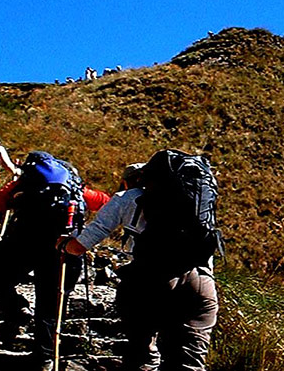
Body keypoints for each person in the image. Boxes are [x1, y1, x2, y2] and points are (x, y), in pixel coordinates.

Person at [59, 153, 220, 371]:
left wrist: (64, 245)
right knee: (190, 363)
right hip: (201, 282)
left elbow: (80, 246)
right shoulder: (194, 201)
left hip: (151, 280)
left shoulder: (127, 198)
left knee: (142, 357)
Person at [0, 151, 109, 371]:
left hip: (24, 243)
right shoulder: (74, 188)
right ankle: (44, 357)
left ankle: (17, 310)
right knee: (51, 302)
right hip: (63, 247)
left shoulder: (25, 182)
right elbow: (106, 204)